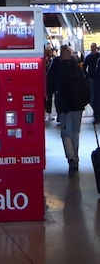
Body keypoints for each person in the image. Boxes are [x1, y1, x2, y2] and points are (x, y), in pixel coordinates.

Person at [47, 44, 87, 175]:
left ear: (61, 56)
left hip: (65, 107)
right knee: (75, 134)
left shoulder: (57, 69)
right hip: (78, 107)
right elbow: (86, 86)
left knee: (66, 134)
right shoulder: (77, 68)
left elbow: (50, 86)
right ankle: (76, 157)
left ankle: (71, 159)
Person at [84, 42, 100, 122]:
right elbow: (84, 68)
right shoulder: (89, 57)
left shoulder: (98, 56)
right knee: (93, 96)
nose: (93, 49)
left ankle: (97, 113)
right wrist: (88, 76)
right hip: (92, 78)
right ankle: (96, 111)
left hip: (97, 78)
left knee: (95, 96)